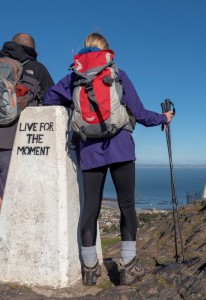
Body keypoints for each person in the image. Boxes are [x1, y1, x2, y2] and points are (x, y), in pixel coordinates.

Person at [43, 32, 174, 286]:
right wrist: (164, 118)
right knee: (126, 204)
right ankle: (128, 266)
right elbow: (140, 113)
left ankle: (90, 270)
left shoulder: (73, 78)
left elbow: (49, 98)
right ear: (106, 51)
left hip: (89, 150)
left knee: (90, 207)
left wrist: (74, 108)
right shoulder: (117, 74)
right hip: (121, 147)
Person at [0, 33, 55, 209]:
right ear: (33, 50)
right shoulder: (36, 68)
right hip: (12, 140)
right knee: (7, 195)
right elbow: (53, 99)